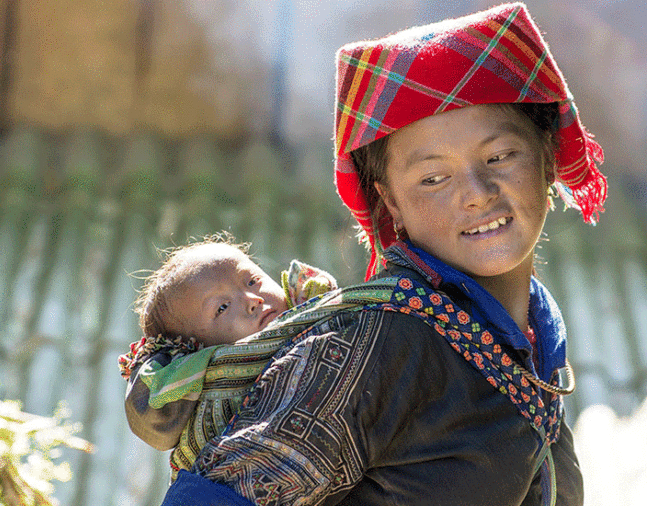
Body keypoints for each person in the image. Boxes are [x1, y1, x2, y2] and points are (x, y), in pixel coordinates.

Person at [159, 3, 607, 505]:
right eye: (433, 178)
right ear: (390, 201)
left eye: (499, 156)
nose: (476, 193)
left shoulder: (534, 345)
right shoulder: (377, 345)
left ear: (547, 155)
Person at [118, 233, 337, 479]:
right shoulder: (215, 395)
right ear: (196, 351)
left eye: (252, 281)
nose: (253, 300)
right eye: (222, 307)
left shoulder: (327, 311)